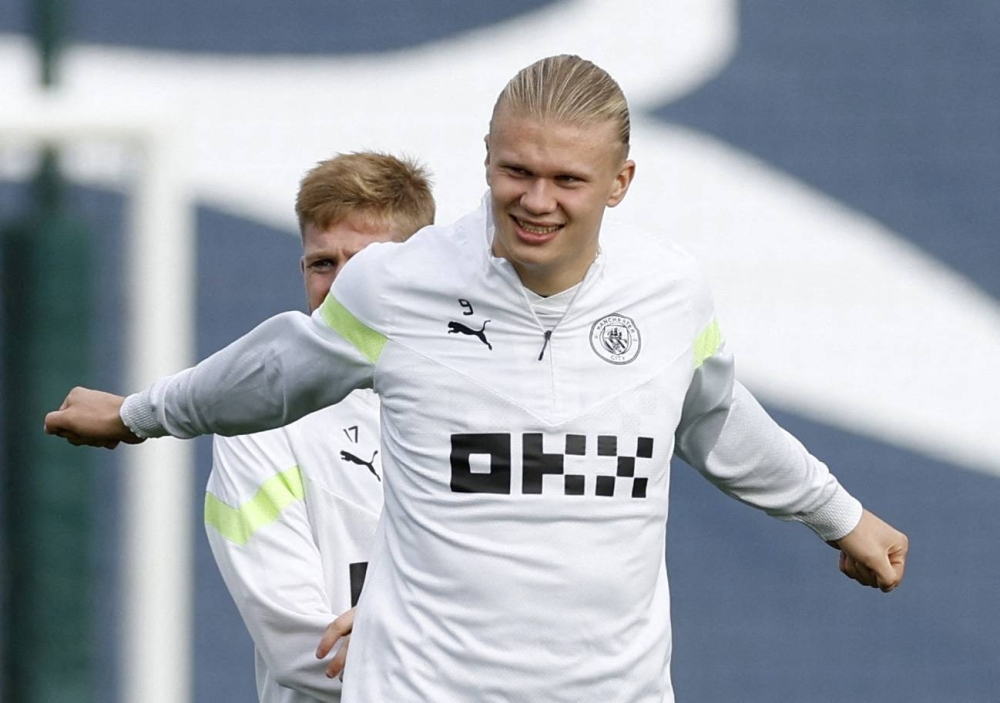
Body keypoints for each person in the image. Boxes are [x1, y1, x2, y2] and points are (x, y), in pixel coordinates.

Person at [45, 55, 908, 703]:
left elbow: (715, 418)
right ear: (486, 159)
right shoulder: (400, 283)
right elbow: (273, 372)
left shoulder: (671, 292)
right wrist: (138, 413)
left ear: (621, 182)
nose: (536, 200)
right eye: (515, 171)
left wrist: (840, 515)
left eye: (567, 178)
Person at [203, 152, 434, 703]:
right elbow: (302, 649)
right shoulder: (257, 422)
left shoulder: (488, 401)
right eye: (322, 264)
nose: (339, 288)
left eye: (363, 265)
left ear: (422, 269)